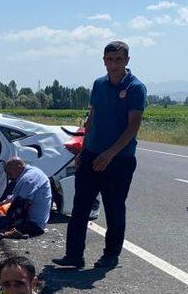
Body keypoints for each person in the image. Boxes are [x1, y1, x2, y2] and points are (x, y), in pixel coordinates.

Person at [53, 41, 146, 270]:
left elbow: (133, 126)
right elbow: (92, 119)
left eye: (118, 60)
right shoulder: (99, 84)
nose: (113, 65)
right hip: (92, 155)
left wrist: (110, 154)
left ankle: (110, 255)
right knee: (80, 206)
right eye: (109, 60)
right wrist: (82, 150)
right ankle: (74, 255)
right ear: (103, 60)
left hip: (119, 160)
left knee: (114, 208)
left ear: (127, 60)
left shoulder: (135, 88)